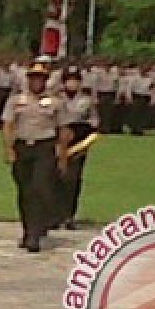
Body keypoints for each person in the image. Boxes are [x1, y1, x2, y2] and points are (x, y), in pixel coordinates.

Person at [1, 60, 68, 253]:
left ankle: (35, 234)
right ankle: (28, 229)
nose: (36, 82)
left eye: (40, 78)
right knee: (25, 191)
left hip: (44, 147)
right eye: (33, 78)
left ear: (46, 81)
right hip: (22, 147)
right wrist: (8, 149)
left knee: (40, 188)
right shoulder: (17, 100)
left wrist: (62, 155)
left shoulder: (56, 102)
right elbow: (8, 125)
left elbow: (63, 129)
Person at [57, 65, 99, 231]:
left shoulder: (87, 101)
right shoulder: (55, 99)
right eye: (69, 80)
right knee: (55, 179)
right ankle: (54, 214)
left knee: (73, 180)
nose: (72, 84)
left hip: (77, 146)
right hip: (58, 144)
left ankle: (69, 215)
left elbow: (95, 121)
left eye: (75, 80)